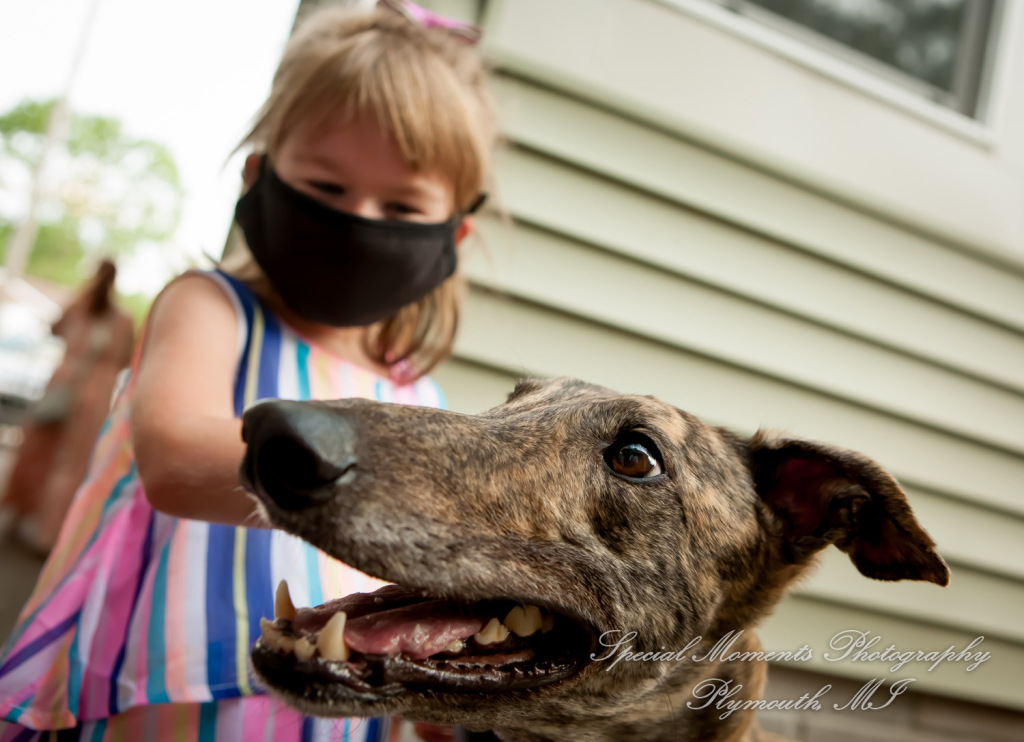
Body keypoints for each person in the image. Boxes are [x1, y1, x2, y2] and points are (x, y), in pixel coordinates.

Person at [0, 2, 497, 739]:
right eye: (327, 189)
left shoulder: (414, 393)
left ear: (452, 233)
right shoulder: (210, 310)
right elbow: (172, 461)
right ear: (259, 177)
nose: (358, 218)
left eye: (400, 205)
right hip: (163, 700)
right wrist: (400, 488)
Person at [0, 258, 135, 555]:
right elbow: (126, 359)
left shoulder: (85, 309)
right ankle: (47, 531)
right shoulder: (120, 320)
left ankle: (28, 516)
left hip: (68, 385)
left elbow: (55, 329)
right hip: (92, 395)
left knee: (42, 452)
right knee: (68, 461)